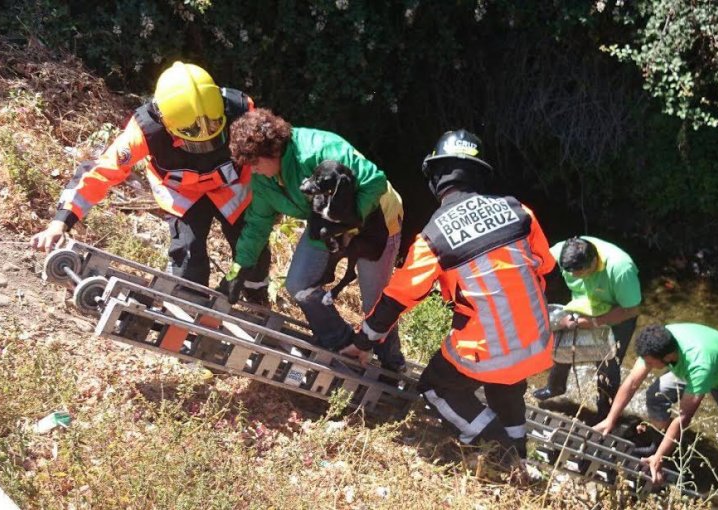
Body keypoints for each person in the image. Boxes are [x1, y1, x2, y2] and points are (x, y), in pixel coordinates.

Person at [341, 130, 555, 463]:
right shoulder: (520, 210)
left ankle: (500, 452)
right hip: (538, 342)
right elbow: (545, 265)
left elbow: (399, 296)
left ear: (436, 179)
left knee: (435, 386)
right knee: (507, 381)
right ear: (479, 174)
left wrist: (364, 341)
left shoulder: (435, 236)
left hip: (490, 350)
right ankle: (522, 454)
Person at [30, 61, 271, 299]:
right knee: (188, 260)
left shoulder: (240, 109)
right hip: (184, 196)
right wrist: (60, 222)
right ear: (166, 123)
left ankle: (258, 299)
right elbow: (101, 172)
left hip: (232, 191)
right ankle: (188, 311)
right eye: (193, 140)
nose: (204, 146)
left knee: (254, 256)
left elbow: (273, 154)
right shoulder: (146, 130)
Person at [225, 108, 405, 370]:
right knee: (299, 282)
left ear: (273, 151)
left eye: (255, 164)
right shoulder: (265, 180)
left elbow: (375, 181)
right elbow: (257, 223)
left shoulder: (319, 149)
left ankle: (392, 364)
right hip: (326, 224)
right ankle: (342, 342)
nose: (253, 171)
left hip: (378, 220)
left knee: (375, 306)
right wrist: (239, 266)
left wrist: (352, 216)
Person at [593, 323, 718, 484]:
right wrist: (610, 419)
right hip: (696, 363)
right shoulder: (659, 341)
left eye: (650, 363)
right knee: (656, 396)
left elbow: (683, 418)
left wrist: (659, 458)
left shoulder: (699, 366)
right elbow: (632, 382)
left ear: (667, 357)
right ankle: (660, 443)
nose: (646, 365)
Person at [532, 236, 641, 422]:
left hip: (617, 313)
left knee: (608, 362)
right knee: (563, 345)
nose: (574, 276)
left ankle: (605, 410)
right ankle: (556, 387)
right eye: (570, 272)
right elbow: (533, 274)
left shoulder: (621, 269)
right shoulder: (559, 252)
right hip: (584, 304)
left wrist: (595, 323)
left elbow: (632, 310)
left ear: (593, 261)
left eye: (580, 272)